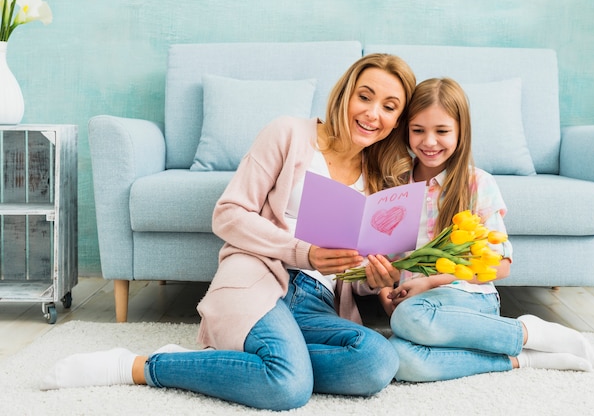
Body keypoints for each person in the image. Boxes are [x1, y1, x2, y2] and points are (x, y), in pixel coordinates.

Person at [40, 53, 417, 410]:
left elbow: (360, 273)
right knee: (288, 386)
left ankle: (246, 361)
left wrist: (377, 278)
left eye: (389, 106)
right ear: (345, 94)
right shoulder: (288, 133)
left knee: (378, 362)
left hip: (318, 300)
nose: (372, 113)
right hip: (261, 278)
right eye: (364, 97)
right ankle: (139, 366)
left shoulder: (383, 179)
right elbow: (228, 214)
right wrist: (305, 252)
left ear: (398, 120)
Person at [366, 77, 594, 383]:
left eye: (442, 131)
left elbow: (500, 266)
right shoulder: (395, 186)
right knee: (399, 359)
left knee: (409, 319)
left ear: (461, 132)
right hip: (416, 306)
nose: (429, 142)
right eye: (418, 130)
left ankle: (527, 332)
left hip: (467, 299)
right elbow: (387, 261)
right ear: (406, 129)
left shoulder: (478, 183)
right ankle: (518, 359)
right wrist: (384, 291)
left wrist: (433, 281)